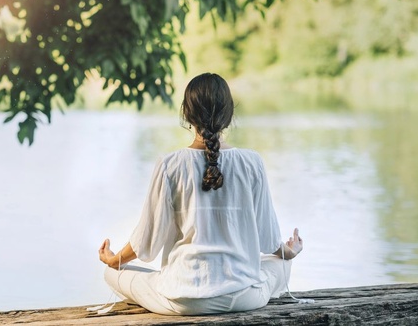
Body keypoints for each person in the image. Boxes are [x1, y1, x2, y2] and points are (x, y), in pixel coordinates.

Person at [98, 72, 303, 315]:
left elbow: (147, 242)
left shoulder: (169, 164)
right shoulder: (252, 162)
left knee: (111, 273)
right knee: (280, 264)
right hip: (243, 296)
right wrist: (289, 252)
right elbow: (269, 241)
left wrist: (114, 260)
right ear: (229, 115)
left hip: (182, 300)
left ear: (186, 114)